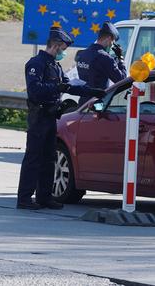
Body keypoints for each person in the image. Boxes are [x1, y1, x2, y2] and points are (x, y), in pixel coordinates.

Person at [17, 26, 106, 210]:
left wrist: (93, 91)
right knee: (33, 158)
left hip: (51, 117)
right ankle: (24, 198)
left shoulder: (55, 66)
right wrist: (56, 88)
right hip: (38, 116)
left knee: (50, 159)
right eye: (63, 49)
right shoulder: (36, 64)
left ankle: (44, 197)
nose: (63, 53)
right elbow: (34, 90)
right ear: (56, 46)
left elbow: (69, 86)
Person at [76, 21, 127, 106]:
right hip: (97, 105)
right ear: (109, 38)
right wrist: (120, 58)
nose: (112, 45)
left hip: (82, 104)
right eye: (113, 42)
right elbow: (122, 80)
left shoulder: (83, 54)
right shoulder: (105, 57)